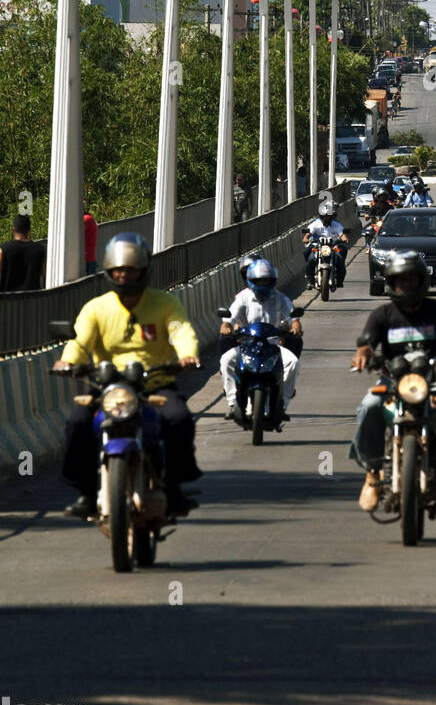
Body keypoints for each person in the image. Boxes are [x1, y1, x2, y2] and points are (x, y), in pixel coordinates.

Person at [52, 233, 201, 518]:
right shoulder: (96, 308)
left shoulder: (165, 303)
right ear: (109, 272)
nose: (123, 275)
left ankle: (174, 488)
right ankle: (84, 491)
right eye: (118, 270)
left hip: (154, 385)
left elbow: (180, 331)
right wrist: (68, 362)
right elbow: (79, 341)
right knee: (77, 423)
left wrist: (187, 355)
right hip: (107, 387)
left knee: (179, 418)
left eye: (130, 269)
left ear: (143, 271)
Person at [350, 250, 436, 510]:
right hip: (393, 385)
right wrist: (362, 355)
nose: (406, 284)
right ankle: (372, 474)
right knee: (369, 407)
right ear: (392, 282)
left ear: (421, 281)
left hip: (434, 382)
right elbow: (366, 343)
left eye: (411, 279)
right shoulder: (382, 315)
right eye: (400, 279)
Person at [219, 258, 303, 426]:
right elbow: (231, 315)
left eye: (267, 280)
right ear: (251, 281)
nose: (263, 284)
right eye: (259, 281)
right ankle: (232, 401)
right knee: (226, 360)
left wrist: (295, 324)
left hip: (273, 345)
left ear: (273, 281)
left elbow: (292, 314)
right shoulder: (243, 298)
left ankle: (282, 403)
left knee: (293, 363)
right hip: (246, 344)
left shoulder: (279, 298)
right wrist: (226, 325)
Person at [304, 200, 348, 287]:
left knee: (340, 258)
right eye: (325, 216)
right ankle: (310, 280)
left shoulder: (336, 224)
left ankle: (339, 280)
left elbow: (342, 233)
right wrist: (306, 238)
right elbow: (309, 233)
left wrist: (344, 238)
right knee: (310, 259)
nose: (326, 218)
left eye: (328, 216)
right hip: (318, 246)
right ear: (321, 216)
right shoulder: (316, 224)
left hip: (333, 247)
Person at [0, 214, 47, 292]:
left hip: (9, 301)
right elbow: (46, 276)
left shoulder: (3, 250)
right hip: (33, 300)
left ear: (13, 229)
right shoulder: (40, 250)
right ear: (29, 230)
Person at [83, 209, 98, 276]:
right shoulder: (88, 218)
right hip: (88, 259)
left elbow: (73, 232)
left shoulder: (86, 219)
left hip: (87, 260)